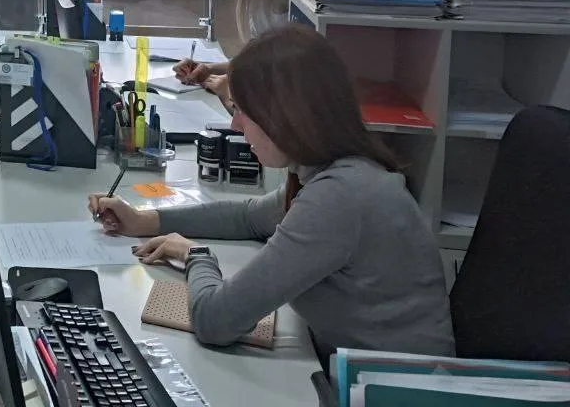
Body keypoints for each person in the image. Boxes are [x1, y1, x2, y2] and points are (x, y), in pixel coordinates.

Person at [89, 25, 453, 358]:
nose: (235, 124)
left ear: (287, 115)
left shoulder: (339, 197)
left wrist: (196, 256)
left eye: (243, 110)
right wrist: (143, 220)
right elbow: (248, 216)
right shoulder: (334, 169)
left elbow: (215, 320)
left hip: (394, 390)